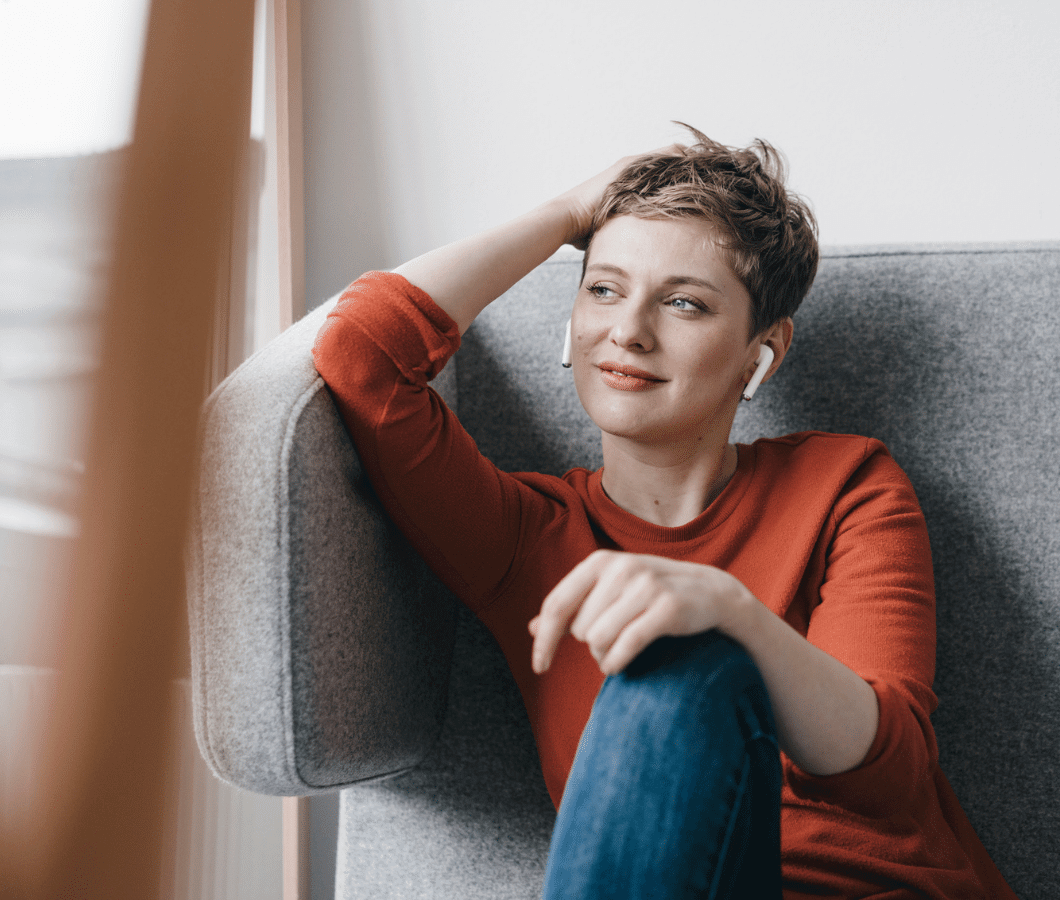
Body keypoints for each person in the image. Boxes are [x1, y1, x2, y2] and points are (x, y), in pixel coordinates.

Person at [311, 125, 1018, 899]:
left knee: (687, 661)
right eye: (604, 288)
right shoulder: (526, 539)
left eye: (683, 303)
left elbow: (889, 768)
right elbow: (361, 349)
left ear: (762, 355)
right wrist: (571, 209)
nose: (628, 331)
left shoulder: (846, 484)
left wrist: (732, 616)